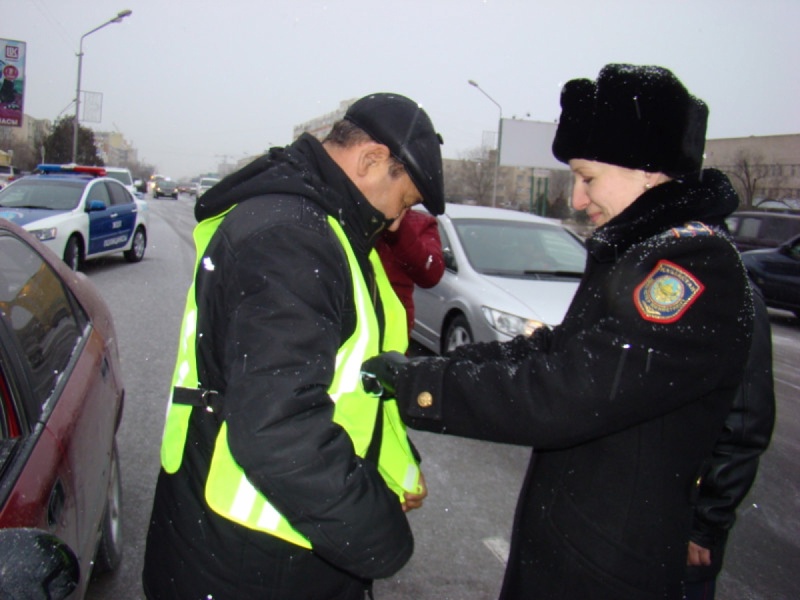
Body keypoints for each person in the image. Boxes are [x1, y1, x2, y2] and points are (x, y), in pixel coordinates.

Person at [362, 64, 755, 599]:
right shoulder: (639, 252)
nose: (575, 199)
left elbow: (573, 389)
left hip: (608, 566)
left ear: (647, 169)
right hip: (579, 542)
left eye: (587, 176)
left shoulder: (691, 267)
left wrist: (419, 388)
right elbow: (555, 347)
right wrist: (437, 367)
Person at [142, 93, 444, 600]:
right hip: (249, 560)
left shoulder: (325, 228)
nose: (397, 222)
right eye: (405, 200)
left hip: (263, 545)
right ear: (371, 160)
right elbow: (278, 429)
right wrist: (377, 531)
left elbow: (353, 384)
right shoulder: (293, 239)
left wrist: (393, 467)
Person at [685, 283, 775, 599]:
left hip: (684, 525)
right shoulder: (640, 273)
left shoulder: (728, 288)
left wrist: (705, 525)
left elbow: (744, 426)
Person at [375, 208, 444, 337]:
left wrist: (397, 228)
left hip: (392, 330)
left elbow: (431, 274)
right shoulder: (349, 210)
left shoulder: (419, 223)